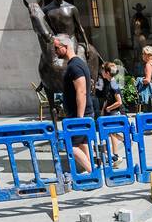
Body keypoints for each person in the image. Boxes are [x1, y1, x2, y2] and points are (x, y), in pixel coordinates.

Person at [54, 34, 93, 173]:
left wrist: (79, 118)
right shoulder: (76, 64)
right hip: (79, 114)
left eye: (56, 48)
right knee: (82, 143)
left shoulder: (75, 66)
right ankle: (93, 170)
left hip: (79, 115)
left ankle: (93, 172)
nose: (55, 51)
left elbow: (81, 91)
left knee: (70, 145)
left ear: (65, 47)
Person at [96, 61, 126, 164]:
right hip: (110, 111)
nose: (101, 73)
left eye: (103, 71)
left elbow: (119, 102)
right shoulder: (108, 83)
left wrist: (109, 108)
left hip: (115, 112)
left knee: (111, 133)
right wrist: (103, 110)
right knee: (110, 132)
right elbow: (107, 99)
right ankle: (124, 140)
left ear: (108, 73)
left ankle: (116, 156)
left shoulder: (113, 85)